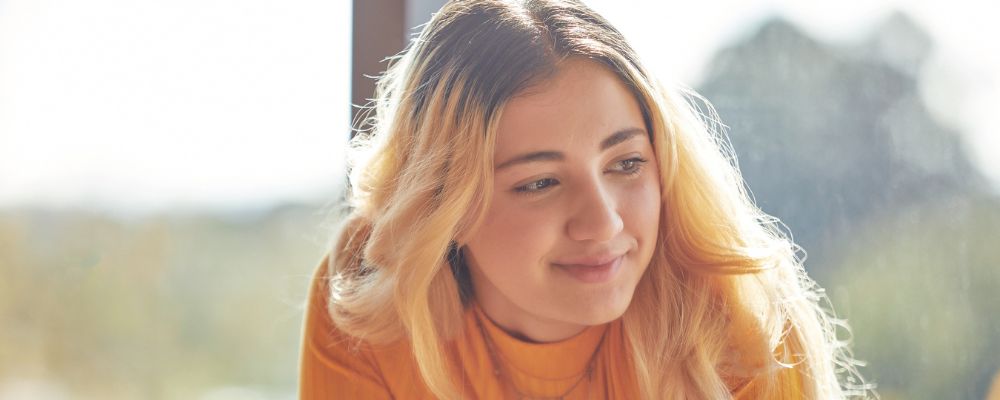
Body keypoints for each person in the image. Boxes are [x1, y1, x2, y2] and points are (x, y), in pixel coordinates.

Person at [300, 0, 869, 398]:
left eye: (626, 164)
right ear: (444, 204)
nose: (603, 222)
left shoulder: (739, 327)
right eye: (540, 182)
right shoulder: (367, 297)